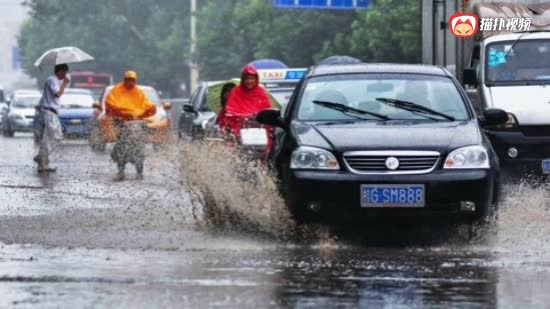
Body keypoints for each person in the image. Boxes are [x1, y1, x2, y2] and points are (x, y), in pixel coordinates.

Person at [105, 71, 156, 181]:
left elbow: (146, 104)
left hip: (137, 124)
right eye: (128, 80)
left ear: (135, 81)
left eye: (132, 80)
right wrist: (123, 112)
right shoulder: (116, 90)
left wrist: (149, 109)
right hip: (121, 123)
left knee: (139, 149)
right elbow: (110, 103)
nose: (130, 82)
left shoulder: (139, 92)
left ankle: (139, 173)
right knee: (121, 147)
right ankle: (121, 171)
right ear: (124, 80)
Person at [34, 64, 70, 173]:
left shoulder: (55, 81)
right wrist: (65, 83)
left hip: (50, 112)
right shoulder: (52, 80)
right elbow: (57, 94)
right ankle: (41, 157)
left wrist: (63, 83)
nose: (65, 75)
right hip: (49, 112)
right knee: (57, 136)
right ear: (60, 71)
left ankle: (43, 165)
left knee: (47, 138)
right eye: (64, 72)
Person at [218, 65, 272, 137]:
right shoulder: (236, 91)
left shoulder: (261, 91)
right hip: (239, 127)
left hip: (259, 128)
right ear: (243, 79)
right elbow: (230, 109)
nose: (249, 81)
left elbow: (267, 109)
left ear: (256, 79)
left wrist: (258, 115)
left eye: (252, 78)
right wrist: (241, 116)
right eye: (246, 79)